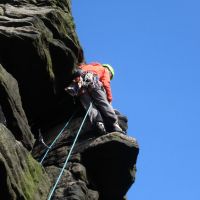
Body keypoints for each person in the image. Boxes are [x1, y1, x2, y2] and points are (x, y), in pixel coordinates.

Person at [65, 62, 123, 134]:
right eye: (110, 76)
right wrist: (109, 98)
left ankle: (99, 123)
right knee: (103, 103)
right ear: (109, 71)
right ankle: (114, 124)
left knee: (90, 106)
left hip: (80, 88)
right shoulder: (104, 70)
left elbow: (78, 70)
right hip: (94, 84)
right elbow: (106, 83)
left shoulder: (87, 66)